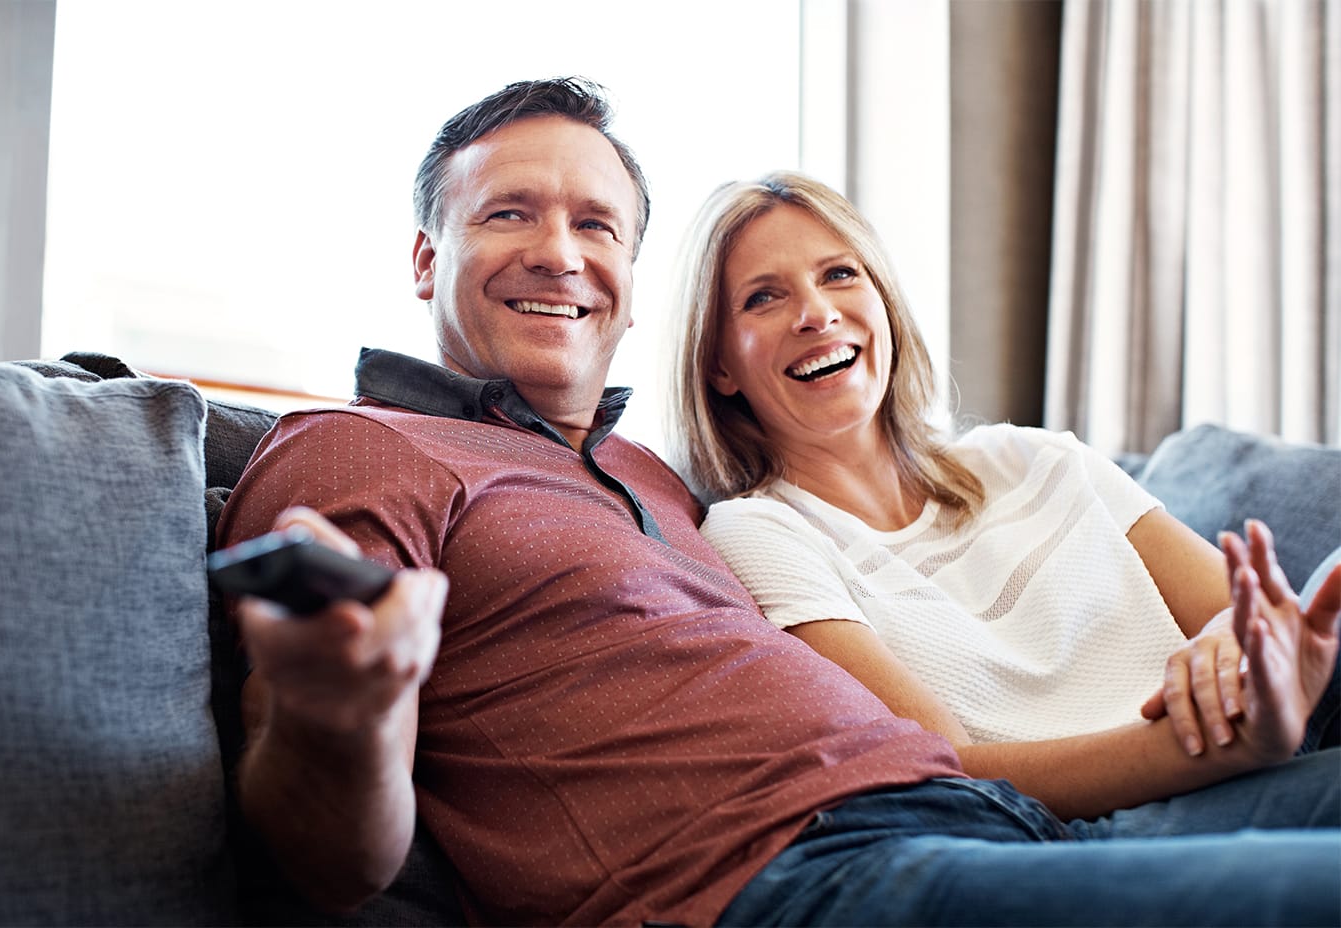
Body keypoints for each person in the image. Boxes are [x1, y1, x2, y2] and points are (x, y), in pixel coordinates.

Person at [218, 79, 1340, 927]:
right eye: (509, 215)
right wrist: (343, 715)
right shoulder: (354, 447)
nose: (559, 255)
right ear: (425, 259)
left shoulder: (657, 484)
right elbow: (322, 861)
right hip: (788, 877)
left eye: (596, 225)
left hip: (977, 827)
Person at [667, 168, 1341, 823]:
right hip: (1113, 820)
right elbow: (952, 768)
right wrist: (1221, 746)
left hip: (1262, 744)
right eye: (764, 297)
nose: (817, 313)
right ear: (719, 365)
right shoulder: (755, 531)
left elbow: (1248, 621)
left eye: (839, 274)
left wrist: (1228, 654)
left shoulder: (1034, 457)